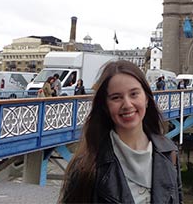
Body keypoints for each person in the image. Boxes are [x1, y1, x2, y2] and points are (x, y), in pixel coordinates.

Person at [60, 60, 182, 203]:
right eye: (116, 97)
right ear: (105, 105)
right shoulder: (86, 167)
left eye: (134, 94)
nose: (127, 105)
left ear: (147, 99)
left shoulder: (170, 153)